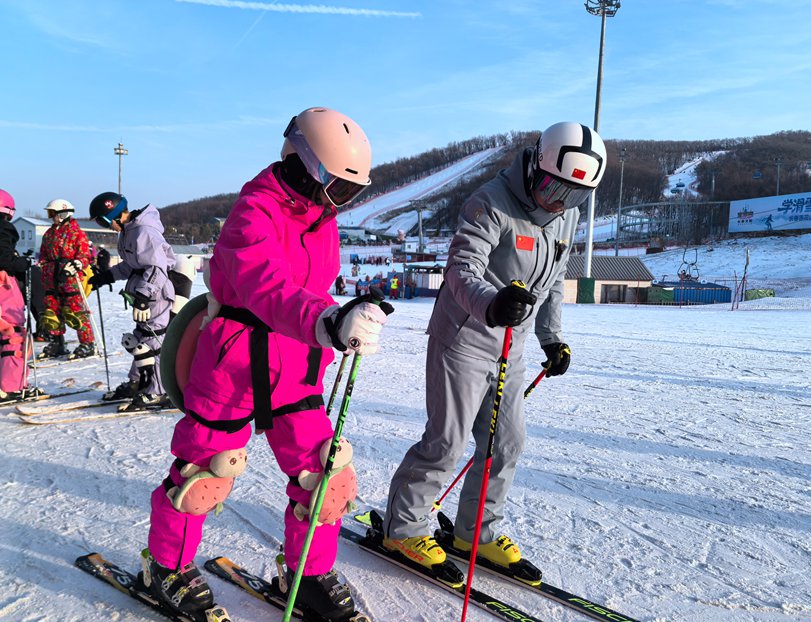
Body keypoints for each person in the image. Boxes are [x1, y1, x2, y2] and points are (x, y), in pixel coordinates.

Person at [139, 107, 391, 621]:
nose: (339, 204)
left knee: (327, 476)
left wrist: (344, 314)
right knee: (204, 475)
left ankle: (307, 574)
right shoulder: (253, 211)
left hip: (295, 362)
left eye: (350, 194)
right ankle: (165, 568)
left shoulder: (322, 219)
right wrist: (325, 318)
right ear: (305, 167)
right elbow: (264, 285)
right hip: (233, 361)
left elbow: (312, 286)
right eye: (337, 189)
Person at [382, 122, 608, 584]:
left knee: (506, 442)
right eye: (551, 187)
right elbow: (461, 269)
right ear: (533, 166)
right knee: (446, 442)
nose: (557, 202)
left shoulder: (563, 216)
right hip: (464, 338)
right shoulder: (490, 202)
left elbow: (553, 287)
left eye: (573, 195)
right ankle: (403, 528)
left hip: (513, 346)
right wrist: (492, 302)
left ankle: (475, 533)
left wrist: (551, 337)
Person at [87, 192, 177, 410]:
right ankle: (138, 381)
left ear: (114, 216)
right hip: (141, 291)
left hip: (155, 293)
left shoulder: (144, 232)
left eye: (102, 221)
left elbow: (157, 268)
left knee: (153, 339)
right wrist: (106, 276)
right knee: (139, 338)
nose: (104, 226)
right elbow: (131, 265)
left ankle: (159, 390)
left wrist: (144, 297)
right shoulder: (129, 231)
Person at [37, 199, 96, 360]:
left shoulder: (76, 233)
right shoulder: (49, 233)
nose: (51, 217)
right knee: (52, 311)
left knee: (75, 312)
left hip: (70, 279)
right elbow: (43, 254)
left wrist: (76, 264)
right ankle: (57, 342)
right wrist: (42, 265)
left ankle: (88, 343)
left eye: (52, 213)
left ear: (63, 213)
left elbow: (85, 255)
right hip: (51, 278)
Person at [0, 189, 43, 400]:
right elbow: (4, 259)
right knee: (13, 334)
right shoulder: (4, 228)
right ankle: (10, 386)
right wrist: (24, 264)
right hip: (3, 287)